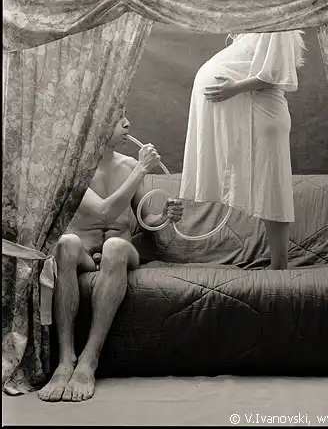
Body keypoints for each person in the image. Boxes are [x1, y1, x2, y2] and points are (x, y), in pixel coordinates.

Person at [37, 110, 184, 402]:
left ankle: (89, 359)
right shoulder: (73, 168)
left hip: (119, 253)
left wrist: (165, 215)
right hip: (83, 253)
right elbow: (105, 211)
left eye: (126, 117)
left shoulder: (128, 165)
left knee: (114, 246)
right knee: (65, 243)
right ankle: (65, 360)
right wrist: (141, 169)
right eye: (118, 118)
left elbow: (145, 219)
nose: (127, 124)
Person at [180, 31, 306, 269]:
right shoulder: (259, 27)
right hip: (251, 112)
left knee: (272, 188)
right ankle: (278, 263)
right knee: (268, 187)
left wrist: (234, 88)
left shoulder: (279, 24)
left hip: (262, 115)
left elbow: (277, 71)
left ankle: (279, 265)